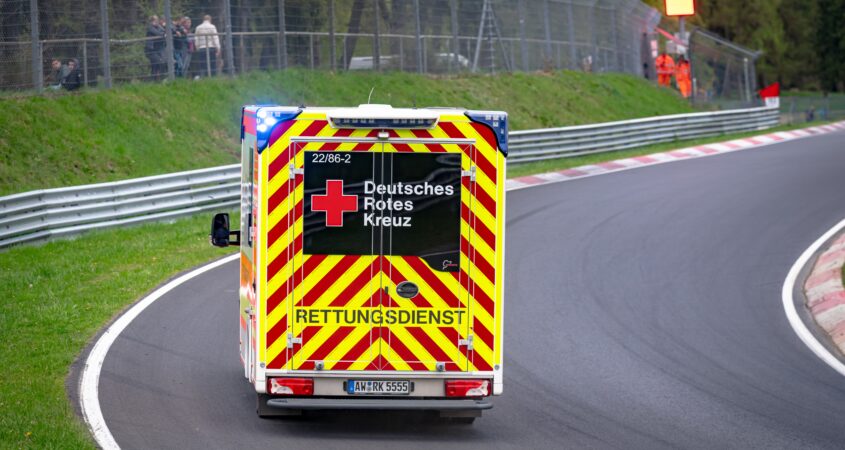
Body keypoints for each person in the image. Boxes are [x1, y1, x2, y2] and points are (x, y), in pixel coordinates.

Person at [145, 15, 166, 80]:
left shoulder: (159, 27)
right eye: (155, 20)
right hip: (151, 50)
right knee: (159, 62)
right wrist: (163, 34)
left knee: (155, 66)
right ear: (151, 21)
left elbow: (163, 31)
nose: (157, 21)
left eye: (157, 20)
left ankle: (155, 81)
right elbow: (157, 33)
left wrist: (163, 32)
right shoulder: (150, 27)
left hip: (158, 49)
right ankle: (158, 79)